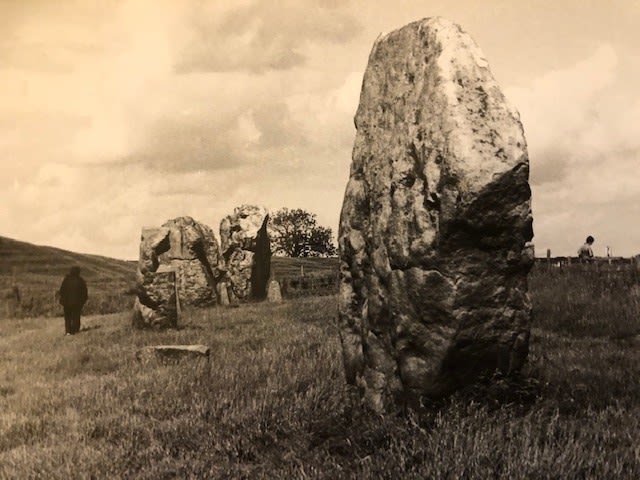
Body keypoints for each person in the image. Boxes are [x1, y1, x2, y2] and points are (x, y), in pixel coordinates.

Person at [59, 266, 88, 335]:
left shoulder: (66, 280)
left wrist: (62, 301)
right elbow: (84, 293)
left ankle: (68, 331)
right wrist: (83, 301)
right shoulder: (81, 280)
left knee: (67, 317)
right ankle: (75, 330)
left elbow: (61, 291)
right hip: (77, 303)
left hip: (66, 303)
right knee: (76, 316)